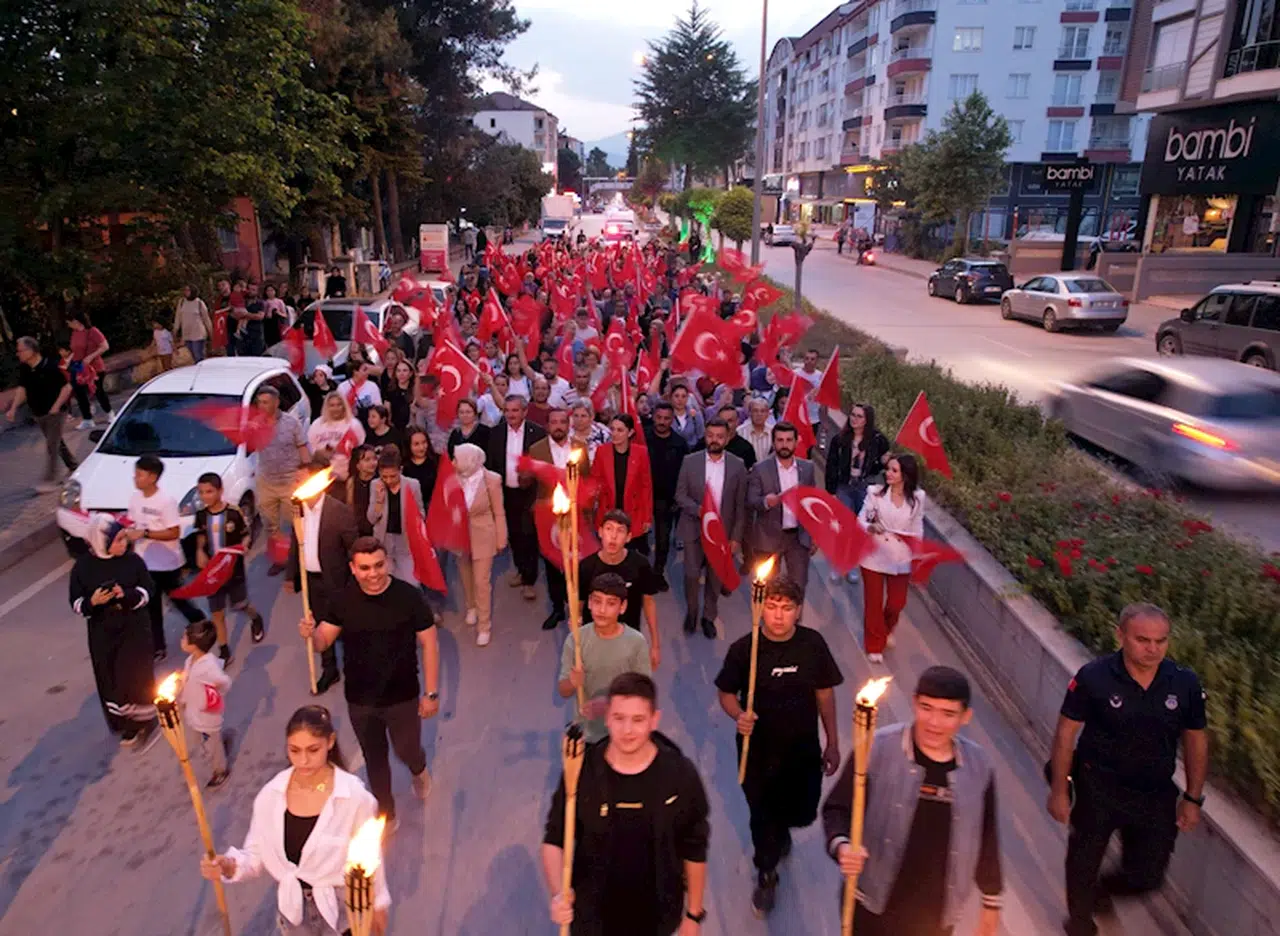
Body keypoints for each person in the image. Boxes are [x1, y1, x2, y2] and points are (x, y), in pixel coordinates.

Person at [1048, 603, 1208, 936]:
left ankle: (1101, 891)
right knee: (1083, 861)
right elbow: (1065, 734)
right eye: (1143, 640)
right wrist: (1060, 791)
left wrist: (1193, 798)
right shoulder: (1094, 677)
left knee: (1148, 876)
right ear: (1120, 635)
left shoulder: (1184, 683)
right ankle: (1079, 922)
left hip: (1154, 793)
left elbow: (1195, 740)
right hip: (1098, 787)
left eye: (1161, 641)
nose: (1153, 649)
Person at [823, 666, 1003, 936]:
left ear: (966, 717)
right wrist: (843, 846)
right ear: (914, 702)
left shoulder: (979, 766)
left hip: (935, 916)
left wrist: (991, 904)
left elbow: (986, 836)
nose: (934, 722)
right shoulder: (877, 747)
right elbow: (837, 808)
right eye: (926, 708)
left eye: (948, 714)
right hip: (872, 906)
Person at [543, 672, 709, 936]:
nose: (627, 730)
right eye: (619, 718)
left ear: (655, 720)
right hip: (592, 919)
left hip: (657, 918)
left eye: (638, 720)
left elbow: (695, 847)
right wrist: (558, 894)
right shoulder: (582, 771)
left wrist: (693, 915)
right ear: (607, 717)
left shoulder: (679, 774)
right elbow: (554, 837)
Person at [201, 706, 390, 935]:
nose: (303, 761)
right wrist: (229, 866)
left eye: (313, 750)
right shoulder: (270, 796)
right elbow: (256, 853)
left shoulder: (354, 798)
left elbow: (371, 861)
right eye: (294, 750)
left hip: (343, 911)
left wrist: (378, 910)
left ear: (330, 742)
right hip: (294, 915)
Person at [715, 578, 842, 917]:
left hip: (802, 752)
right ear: (760, 606)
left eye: (787, 608)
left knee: (800, 812)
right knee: (763, 817)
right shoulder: (745, 649)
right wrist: (739, 714)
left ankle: (781, 831)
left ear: (798, 610)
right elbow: (726, 693)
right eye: (771, 606)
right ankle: (766, 873)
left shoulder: (813, 645)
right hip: (756, 754)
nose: (778, 615)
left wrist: (833, 741)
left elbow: (825, 694)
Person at [299, 537, 440, 822]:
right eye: (365, 568)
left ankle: (419, 770)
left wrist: (431, 693)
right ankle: (386, 815)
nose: (373, 574)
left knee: (407, 750)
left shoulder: (408, 597)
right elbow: (323, 641)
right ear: (353, 568)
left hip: (402, 696)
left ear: (387, 562)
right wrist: (310, 635)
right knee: (375, 760)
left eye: (378, 565)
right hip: (361, 700)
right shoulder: (342, 600)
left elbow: (430, 644)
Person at [69, 513, 157, 748]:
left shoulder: (133, 562)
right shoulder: (82, 568)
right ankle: (124, 724)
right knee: (111, 680)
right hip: (102, 635)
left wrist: (125, 595)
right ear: (101, 543)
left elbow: (148, 591)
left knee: (134, 678)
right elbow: (76, 604)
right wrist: (93, 602)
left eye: (123, 538)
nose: (124, 543)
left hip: (134, 630)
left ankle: (146, 724)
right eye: (117, 540)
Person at [291, 454, 358, 695]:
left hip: (337, 581)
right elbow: (295, 544)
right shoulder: (297, 511)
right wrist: (292, 576)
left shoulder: (338, 512)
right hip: (312, 582)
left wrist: (356, 579)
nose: (296, 485)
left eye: (300, 480)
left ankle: (357, 670)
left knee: (347, 627)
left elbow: (353, 547)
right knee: (318, 627)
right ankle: (329, 670)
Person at [674, 419, 747, 639]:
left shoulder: (737, 465)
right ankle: (692, 612)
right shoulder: (690, 461)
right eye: (710, 435)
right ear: (705, 436)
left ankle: (708, 616)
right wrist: (700, 511)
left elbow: (740, 506)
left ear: (727, 438)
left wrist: (736, 537)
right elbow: (680, 495)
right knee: (691, 574)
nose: (714, 440)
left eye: (719, 436)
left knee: (715, 577)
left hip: (722, 533)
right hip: (694, 528)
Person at [557, 573, 651, 741]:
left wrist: (609, 706)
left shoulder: (637, 642)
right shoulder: (575, 640)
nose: (602, 609)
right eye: (597, 601)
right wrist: (572, 682)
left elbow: (644, 694)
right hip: (587, 732)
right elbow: (563, 690)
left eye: (611, 603)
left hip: (623, 734)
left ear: (623, 607)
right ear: (589, 603)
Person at [126, 455, 203, 661]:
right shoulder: (135, 498)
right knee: (151, 608)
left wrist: (145, 534)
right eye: (136, 473)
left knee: (179, 601)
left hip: (168, 564)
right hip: (145, 563)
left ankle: (201, 625)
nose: (135, 478)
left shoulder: (166, 501)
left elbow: (173, 532)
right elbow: (133, 525)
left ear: (152, 477)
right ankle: (158, 647)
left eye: (140, 474)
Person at [857, 453, 925, 663]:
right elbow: (861, 518)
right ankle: (874, 644)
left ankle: (886, 629)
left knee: (897, 602)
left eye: (894, 470)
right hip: (874, 554)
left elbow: (917, 525)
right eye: (888, 469)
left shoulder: (918, 497)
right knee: (873, 603)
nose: (888, 473)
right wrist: (869, 526)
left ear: (905, 475)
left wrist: (918, 552)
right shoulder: (875, 493)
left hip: (900, 556)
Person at [193, 471, 265, 663]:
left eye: (209, 492)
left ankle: (256, 618)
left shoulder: (233, 513)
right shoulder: (201, 516)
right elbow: (200, 535)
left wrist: (246, 544)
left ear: (220, 491)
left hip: (233, 571)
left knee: (240, 604)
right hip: (212, 573)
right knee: (217, 612)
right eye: (201, 492)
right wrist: (200, 551)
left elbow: (245, 534)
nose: (205, 496)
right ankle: (224, 651)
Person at [578, 510, 661, 669]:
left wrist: (655, 645)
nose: (613, 536)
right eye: (609, 529)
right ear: (600, 532)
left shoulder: (640, 564)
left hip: (627, 643)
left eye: (620, 530)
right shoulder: (586, 567)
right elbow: (578, 605)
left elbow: (649, 603)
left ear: (629, 537)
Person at [485, 394, 546, 602]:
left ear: (524, 411)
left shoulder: (537, 433)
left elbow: (543, 465)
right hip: (505, 492)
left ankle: (530, 580)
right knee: (514, 534)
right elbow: (491, 464)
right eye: (508, 410)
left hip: (529, 494)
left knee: (529, 535)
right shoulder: (495, 433)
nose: (511, 414)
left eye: (515, 410)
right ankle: (521, 569)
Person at [745, 422, 817, 598]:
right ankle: (766, 623)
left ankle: (794, 624)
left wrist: (815, 535)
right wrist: (765, 502)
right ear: (773, 442)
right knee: (767, 587)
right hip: (768, 537)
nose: (784, 444)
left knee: (798, 586)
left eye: (788, 440)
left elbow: (812, 504)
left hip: (798, 539)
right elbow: (750, 500)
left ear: (796, 442)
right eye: (780, 440)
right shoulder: (760, 469)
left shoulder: (807, 468)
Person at [826, 401, 890, 584]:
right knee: (844, 527)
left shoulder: (877, 440)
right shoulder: (840, 439)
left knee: (860, 528)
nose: (854, 419)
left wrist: (883, 462)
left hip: (865, 488)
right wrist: (830, 491)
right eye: (853, 415)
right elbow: (831, 465)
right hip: (844, 487)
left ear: (867, 420)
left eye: (859, 416)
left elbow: (882, 464)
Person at [451, 443, 507, 646]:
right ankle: (471, 606)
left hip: (484, 534)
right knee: (465, 574)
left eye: (457, 458)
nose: (453, 462)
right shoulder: (453, 478)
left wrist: (502, 538)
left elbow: (499, 511)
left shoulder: (492, 480)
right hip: (460, 535)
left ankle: (484, 625)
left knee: (482, 581)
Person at [253, 385, 311, 574]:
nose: (261, 406)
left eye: (265, 402)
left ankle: (299, 559)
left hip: (289, 480)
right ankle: (279, 559)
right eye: (259, 402)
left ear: (276, 403)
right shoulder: (255, 424)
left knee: (295, 524)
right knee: (270, 524)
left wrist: (307, 471)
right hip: (266, 481)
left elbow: (302, 446)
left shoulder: (291, 423)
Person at [8, 336, 77, 492]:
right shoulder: (25, 369)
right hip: (39, 413)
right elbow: (22, 389)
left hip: (56, 412)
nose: (18, 354)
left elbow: (66, 388)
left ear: (31, 350)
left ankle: (51, 479)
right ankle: (73, 464)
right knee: (57, 442)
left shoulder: (51, 366)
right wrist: (13, 408)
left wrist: (56, 406)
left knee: (52, 445)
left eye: (20, 351)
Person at [178, 619, 232, 788]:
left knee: (210, 741)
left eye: (183, 638)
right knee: (202, 740)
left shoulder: (207, 666)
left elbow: (224, 681)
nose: (181, 640)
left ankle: (220, 770)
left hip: (206, 716)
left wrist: (215, 694)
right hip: (194, 711)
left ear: (194, 645)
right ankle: (217, 747)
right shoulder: (191, 661)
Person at [590, 414, 653, 555]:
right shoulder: (602, 451)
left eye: (620, 430)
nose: (615, 434)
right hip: (608, 510)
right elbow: (595, 480)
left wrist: (647, 517)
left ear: (630, 432)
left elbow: (646, 486)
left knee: (630, 556)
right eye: (612, 429)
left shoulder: (641, 453)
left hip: (633, 512)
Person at [644, 401, 689, 590]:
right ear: (653, 416)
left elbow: (684, 473)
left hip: (667, 499)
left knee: (663, 540)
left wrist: (679, 499)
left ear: (672, 420)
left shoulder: (680, 444)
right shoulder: (642, 437)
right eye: (659, 417)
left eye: (666, 419)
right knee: (639, 539)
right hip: (643, 496)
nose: (662, 422)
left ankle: (658, 573)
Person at [368, 449, 425, 585]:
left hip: (406, 542)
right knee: (385, 583)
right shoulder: (375, 485)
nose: (388, 480)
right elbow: (371, 519)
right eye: (384, 476)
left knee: (411, 583)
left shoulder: (413, 485)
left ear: (400, 470)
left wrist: (414, 519)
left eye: (393, 476)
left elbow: (421, 514)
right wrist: (379, 501)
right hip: (384, 540)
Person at [66, 309, 114, 429]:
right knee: (79, 393)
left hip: (94, 367)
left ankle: (110, 413)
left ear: (76, 321)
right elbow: (75, 350)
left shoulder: (92, 331)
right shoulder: (74, 333)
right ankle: (87, 419)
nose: (68, 325)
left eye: (69, 322)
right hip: (78, 367)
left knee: (98, 391)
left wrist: (91, 356)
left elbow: (105, 346)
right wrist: (69, 360)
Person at [308, 392, 365, 482]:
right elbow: (309, 450)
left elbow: (362, 451)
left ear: (344, 406)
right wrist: (321, 454)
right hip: (323, 476)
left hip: (349, 476)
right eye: (332, 405)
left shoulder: (354, 425)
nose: (336, 409)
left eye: (339, 405)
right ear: (327, 407)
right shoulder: (317, 424)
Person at [173, 285, 213, 364]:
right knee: (192, 356)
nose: (186, 292)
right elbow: (178, 317)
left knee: (198, 355)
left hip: (198, 334)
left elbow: (206, 319)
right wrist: (175, 329)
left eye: (188, 290)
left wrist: (211, 333)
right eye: (185, 290)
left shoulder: (199, 303)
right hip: (187, 334)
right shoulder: (182, 302)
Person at [345, 445, 378, 537]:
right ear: (357, 465)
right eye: (367, 460)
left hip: (376, 528)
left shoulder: (380, 481)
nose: (372, 463)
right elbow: (350, 506)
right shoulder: (352, 482)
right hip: (358, 528)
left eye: (374, 459)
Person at [337, 361, 383, 426]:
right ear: (355, 372)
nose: (368, 372)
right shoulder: (342, 387)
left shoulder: (372, 386)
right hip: (348, 424)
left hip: (368, 424)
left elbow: (379, 408)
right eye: (364, 370)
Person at [402, 428, 438, 502]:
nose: (421, 447)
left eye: (424, 442)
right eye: (416, 444)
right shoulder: (403, 465)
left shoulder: (437, 460)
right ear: (408, 446)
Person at [737, 397, 774, 466]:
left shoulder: (774, 432)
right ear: (749, 413)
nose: (759, 414)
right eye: (755, 411)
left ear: (768, 414)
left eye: (762, 411)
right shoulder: (739, 432)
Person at [668, 383, 704, 449]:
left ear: (687, 398)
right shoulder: (666, 415)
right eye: (676, 396)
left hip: (692, 452)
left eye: (683, 396)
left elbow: (701, 435)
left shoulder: (696, 415)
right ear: (671, 398)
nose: (680, 399)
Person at [384, 359, 417, 432]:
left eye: (405, 370)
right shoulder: (390, 391)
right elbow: (387, 412)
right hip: (394, 430)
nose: (401, 374)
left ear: (411, 373)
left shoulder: (415, 391)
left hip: (412, 430)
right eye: (398, 371)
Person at [262, 283, 290, 349]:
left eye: (271, 290)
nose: (270, 292)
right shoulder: (264, 302)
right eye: (268, 291)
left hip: (277, 323)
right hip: (267, 323)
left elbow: (285, 315)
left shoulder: (279, 301)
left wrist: (278, 312)